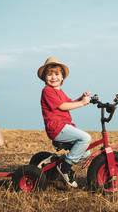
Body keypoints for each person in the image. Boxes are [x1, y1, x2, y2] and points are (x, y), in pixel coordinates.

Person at [37, 57, 91, 187]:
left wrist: (81, 98)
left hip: (64, 126)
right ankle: (65, 168)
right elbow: (62, 106)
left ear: (62, 78)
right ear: (45, 78)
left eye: (57, 74)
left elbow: (69, 103)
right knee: (85, 138)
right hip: (56, 127)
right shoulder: (47, 91)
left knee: (86, 153)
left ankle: (58, 163)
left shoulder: (59, 91)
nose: (53, 77)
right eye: (49, 74)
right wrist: (82, 103)